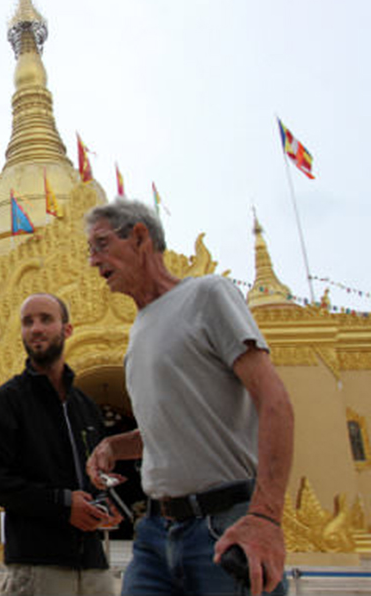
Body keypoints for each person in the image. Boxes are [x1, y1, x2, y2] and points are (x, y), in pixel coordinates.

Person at [83, 199, 294, 596]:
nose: (93, 261)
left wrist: (266, 516)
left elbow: (274, 400)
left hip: (222, 521)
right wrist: (114, 444)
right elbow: (169, 428)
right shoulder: (140, 329)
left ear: (141, 237)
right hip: (155, 532)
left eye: (101, 244)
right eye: (89, 250)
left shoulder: (207, 295)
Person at [0, 293, 120, 595]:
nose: (36, 328)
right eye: (28, 322)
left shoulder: (85, 407)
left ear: (67, 329)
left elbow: (91, 476)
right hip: (38, 563)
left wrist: (105, 504)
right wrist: (61, 503)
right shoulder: (7, 402)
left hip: (92, 562)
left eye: (46, 319)